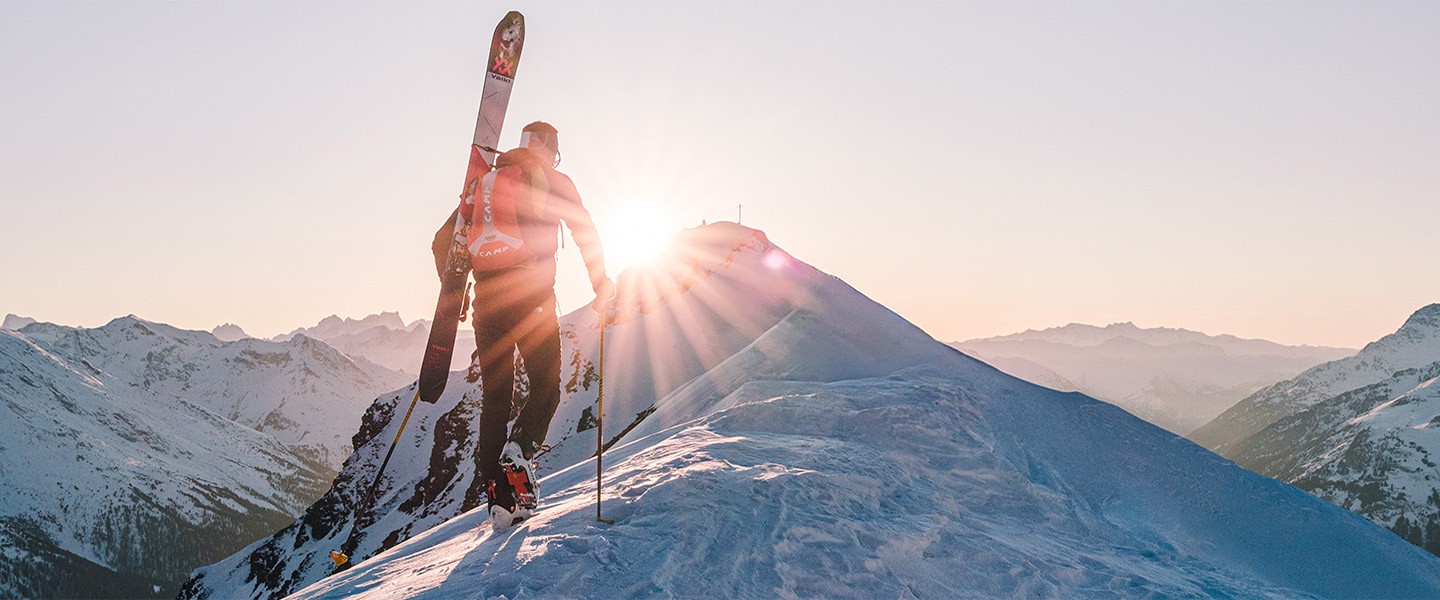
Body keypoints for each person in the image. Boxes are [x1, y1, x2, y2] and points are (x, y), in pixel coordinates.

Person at [459, 121, 613, 526]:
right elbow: (585, 231)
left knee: (495, 400)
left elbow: (447, 240)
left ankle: (499, 496)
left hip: (486, 305)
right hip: (531, 300)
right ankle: (519, 449)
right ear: (551, 149)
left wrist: (453, 295)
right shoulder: (554, 181)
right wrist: (600, 282)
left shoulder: (486, 183)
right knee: (546, 385)